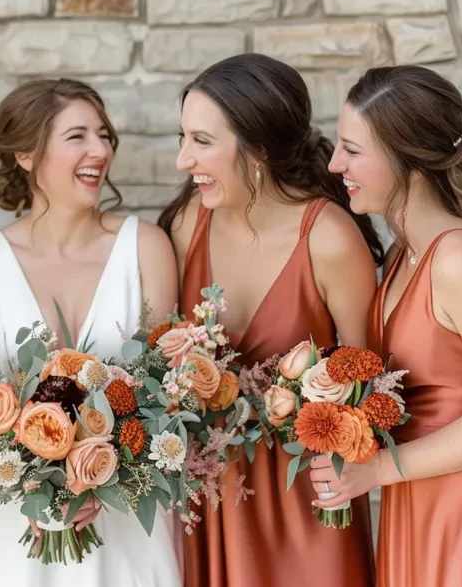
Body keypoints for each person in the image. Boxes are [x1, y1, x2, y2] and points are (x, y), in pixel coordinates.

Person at [0, 78, 182, 586]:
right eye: (77, 137)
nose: (100, 150)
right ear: (26, 155)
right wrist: (34, 482)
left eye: (104, 134)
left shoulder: (147, 248)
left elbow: (165, 391)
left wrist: (94, 476)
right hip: (7, 525)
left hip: (123, 525)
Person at [316, 64, 462, 586]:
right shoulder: (404, 254)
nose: (335, 164)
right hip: (415, 501)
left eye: (353, 150)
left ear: (407, 159)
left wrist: (377, 471)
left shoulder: (458, 259)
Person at [159, 53, 385, 587]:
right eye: (183, 137)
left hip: (304, 505)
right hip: (207, 498)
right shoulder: (188, 224)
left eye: (202, 141)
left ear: (257, 147)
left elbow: (372, 387)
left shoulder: (328, 239)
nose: (182, 160)